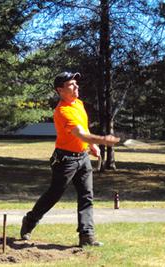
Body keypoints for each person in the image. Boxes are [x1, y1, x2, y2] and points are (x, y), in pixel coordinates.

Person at [20, 71, 120, 247]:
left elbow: (84, 130)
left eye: (76, 83)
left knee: (87, 195)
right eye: (71, 85)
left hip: (83, 158)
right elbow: (79, 133)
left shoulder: (78, 104)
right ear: (60, 90)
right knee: (54, 195)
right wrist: (103, 140)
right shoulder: (63, 111)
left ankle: (87, 236)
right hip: (65, 160)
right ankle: (30, 221)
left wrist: (91, 146)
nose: (76, 87)